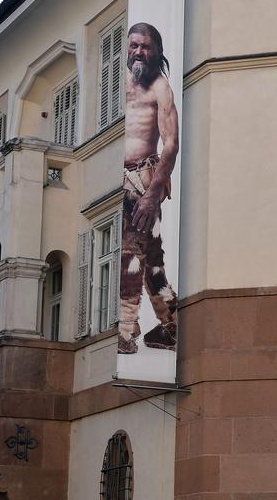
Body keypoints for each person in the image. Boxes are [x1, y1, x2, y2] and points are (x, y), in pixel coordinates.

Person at [118, 22, 179, 355]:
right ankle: (171, 323)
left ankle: (125, 331)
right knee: (151, 260)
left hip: (142, 184)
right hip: (121, 181)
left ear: (157, 50)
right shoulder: (120, 84)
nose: (138, 51)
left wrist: (152, 194)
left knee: (131, 256)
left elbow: (171, 145)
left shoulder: (161, 88)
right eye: (133, 45)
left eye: (144, 46)